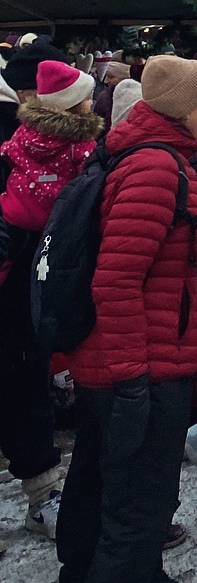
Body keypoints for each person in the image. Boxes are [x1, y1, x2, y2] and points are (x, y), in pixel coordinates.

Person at [52, 56, 197, 583]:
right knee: (135, 519)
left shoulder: (153, 155)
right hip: (138, 370)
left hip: (136, 366)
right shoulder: (154, 167)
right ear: (182, 106)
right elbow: (117, 280)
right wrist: (132, 379)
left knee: (114, 507)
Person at [0, 60, 97, 541]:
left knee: (26, 383)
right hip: (25, 279)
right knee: (24, 385)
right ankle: (41, 497)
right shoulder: (75, 149)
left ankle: (42, 495)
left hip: (25, 282)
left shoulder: (16, 134)